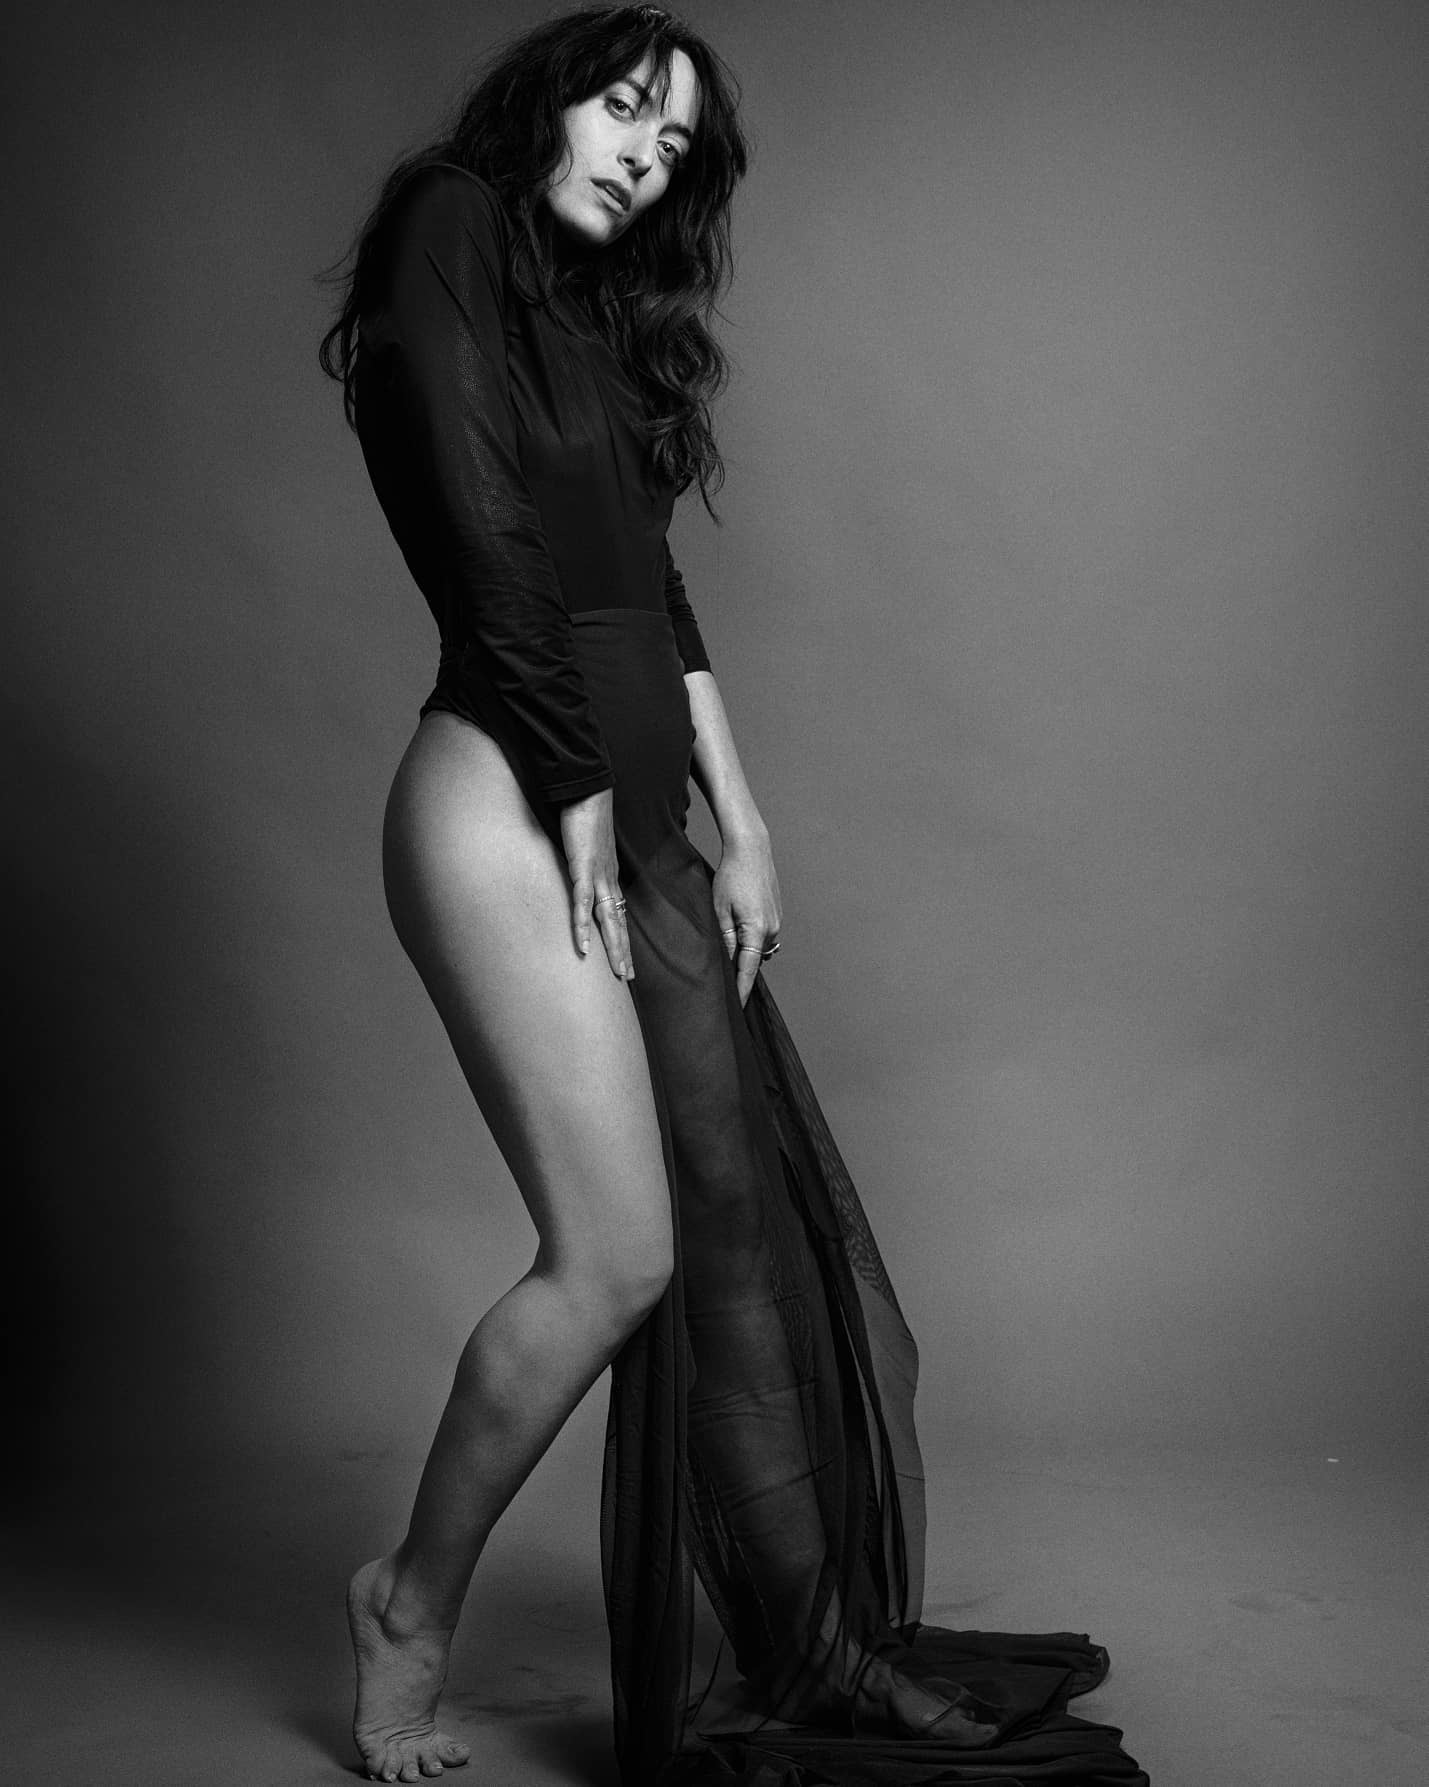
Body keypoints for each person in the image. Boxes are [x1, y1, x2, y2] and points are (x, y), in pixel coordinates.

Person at [320, 7, 1148, 1784]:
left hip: (637, 814)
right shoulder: (450, 220)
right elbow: (479, 527)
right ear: (547, 101)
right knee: (616, 1257)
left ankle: (814, 1646)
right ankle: (404, 1600)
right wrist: (577, 789)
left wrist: (740, 816)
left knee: (735, 1247)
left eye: (674, 141)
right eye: (623, 109)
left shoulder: (594, 317)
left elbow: (650, 590)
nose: (642, 153)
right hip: (507, 801)